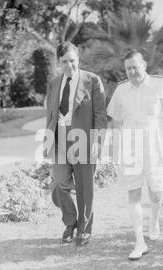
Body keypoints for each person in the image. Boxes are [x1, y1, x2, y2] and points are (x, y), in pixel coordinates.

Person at [107, 50, 163, 260]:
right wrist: (115, 148)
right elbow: (115, 121)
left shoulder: (159, 84)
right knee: (133, 192)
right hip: (130, 143)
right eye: (128, 68)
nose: (132, 71)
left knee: (156, 192)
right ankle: (139, 241)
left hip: (155, 141)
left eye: (135, 67)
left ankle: (154, 219)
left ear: (144, 65)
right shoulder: (121, 90)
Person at [43, 42, 107, 246]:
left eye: (72, 60)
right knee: (59, 185)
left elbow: (100, 115)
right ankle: (70, 222)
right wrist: (47, 139)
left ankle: (84, 229)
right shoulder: (54, 83)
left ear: (78, 59)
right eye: (64, 62)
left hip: (84, 137)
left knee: (84, 188)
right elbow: (51, 114)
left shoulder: (92, 81)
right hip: (59, 137)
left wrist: (97, 140)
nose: (69, 65)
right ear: (58, 62)